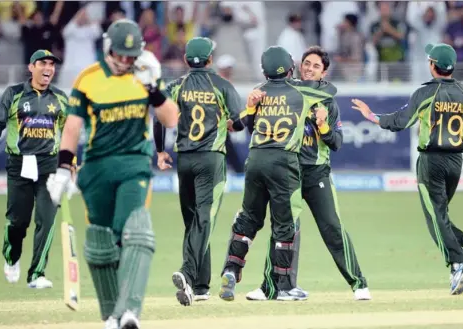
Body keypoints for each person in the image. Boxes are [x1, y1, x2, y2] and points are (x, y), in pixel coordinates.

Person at [45, 19, 179, 329]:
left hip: (134, 164)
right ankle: (112, 317)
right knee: (103, 243)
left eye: (131, 56)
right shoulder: (88, 78)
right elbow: (74, 126)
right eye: (121, 55)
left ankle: (130, 311)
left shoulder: (146, 72)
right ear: (109, 50)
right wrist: (64, 168)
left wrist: (153, 89)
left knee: (134, 233)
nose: (125, 62)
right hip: (96, 168)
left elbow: (171, 118)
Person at [351, 43, 463, 296]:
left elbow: (400, 121)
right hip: (455, 163)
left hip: (431, 161)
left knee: (435, 218)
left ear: (432, 66)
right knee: (439, 213)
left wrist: (372, 116)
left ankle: (459, 263)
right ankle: (459, 245)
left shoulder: (426, 94)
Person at [246, 46, 371, 302]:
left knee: (332, 228)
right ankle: (272, 286)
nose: (309, 69)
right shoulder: (285, 94)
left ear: (324, 72)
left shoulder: (328, 101)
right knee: (284, 230)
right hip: (286, 171)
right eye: (306, 64)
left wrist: (323, 124)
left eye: (315, 66)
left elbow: (336, 143)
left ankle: (359, 284)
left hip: (316, 174)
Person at [218, 46, 332, 302]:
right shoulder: (302, 91)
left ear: (264, 70)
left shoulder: (258, 92)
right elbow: (329, 92)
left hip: (256, 159)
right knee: (285, 224)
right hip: (284, 162)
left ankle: (231, 269)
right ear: (291, 67)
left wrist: (250, 107)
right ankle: (283, 287)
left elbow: (237, 125)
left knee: (248, 219)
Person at [153, 37, 245, 306]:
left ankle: (201, 286)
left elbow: (159, 114)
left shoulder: (177, 85)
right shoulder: (222, 85)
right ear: (210, 59)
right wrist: (231, 124)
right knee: (204, 220)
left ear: (185, 60)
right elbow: (239, 122)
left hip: (184, 161)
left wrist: (160, 151)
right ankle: (188, 273)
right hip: (211, 160)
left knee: (194, 222)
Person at [0, 49, 67, 289]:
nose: (48, 68)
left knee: (46, 220)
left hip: (49, 165)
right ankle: (11, 257)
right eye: (42, 63)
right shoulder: (14, 94)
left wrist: (71, 161)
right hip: (20, 165)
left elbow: (71, 131)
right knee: (17, 222)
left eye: (51, 64)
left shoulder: (60, 98)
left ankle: (36, 273)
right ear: (31, 67)